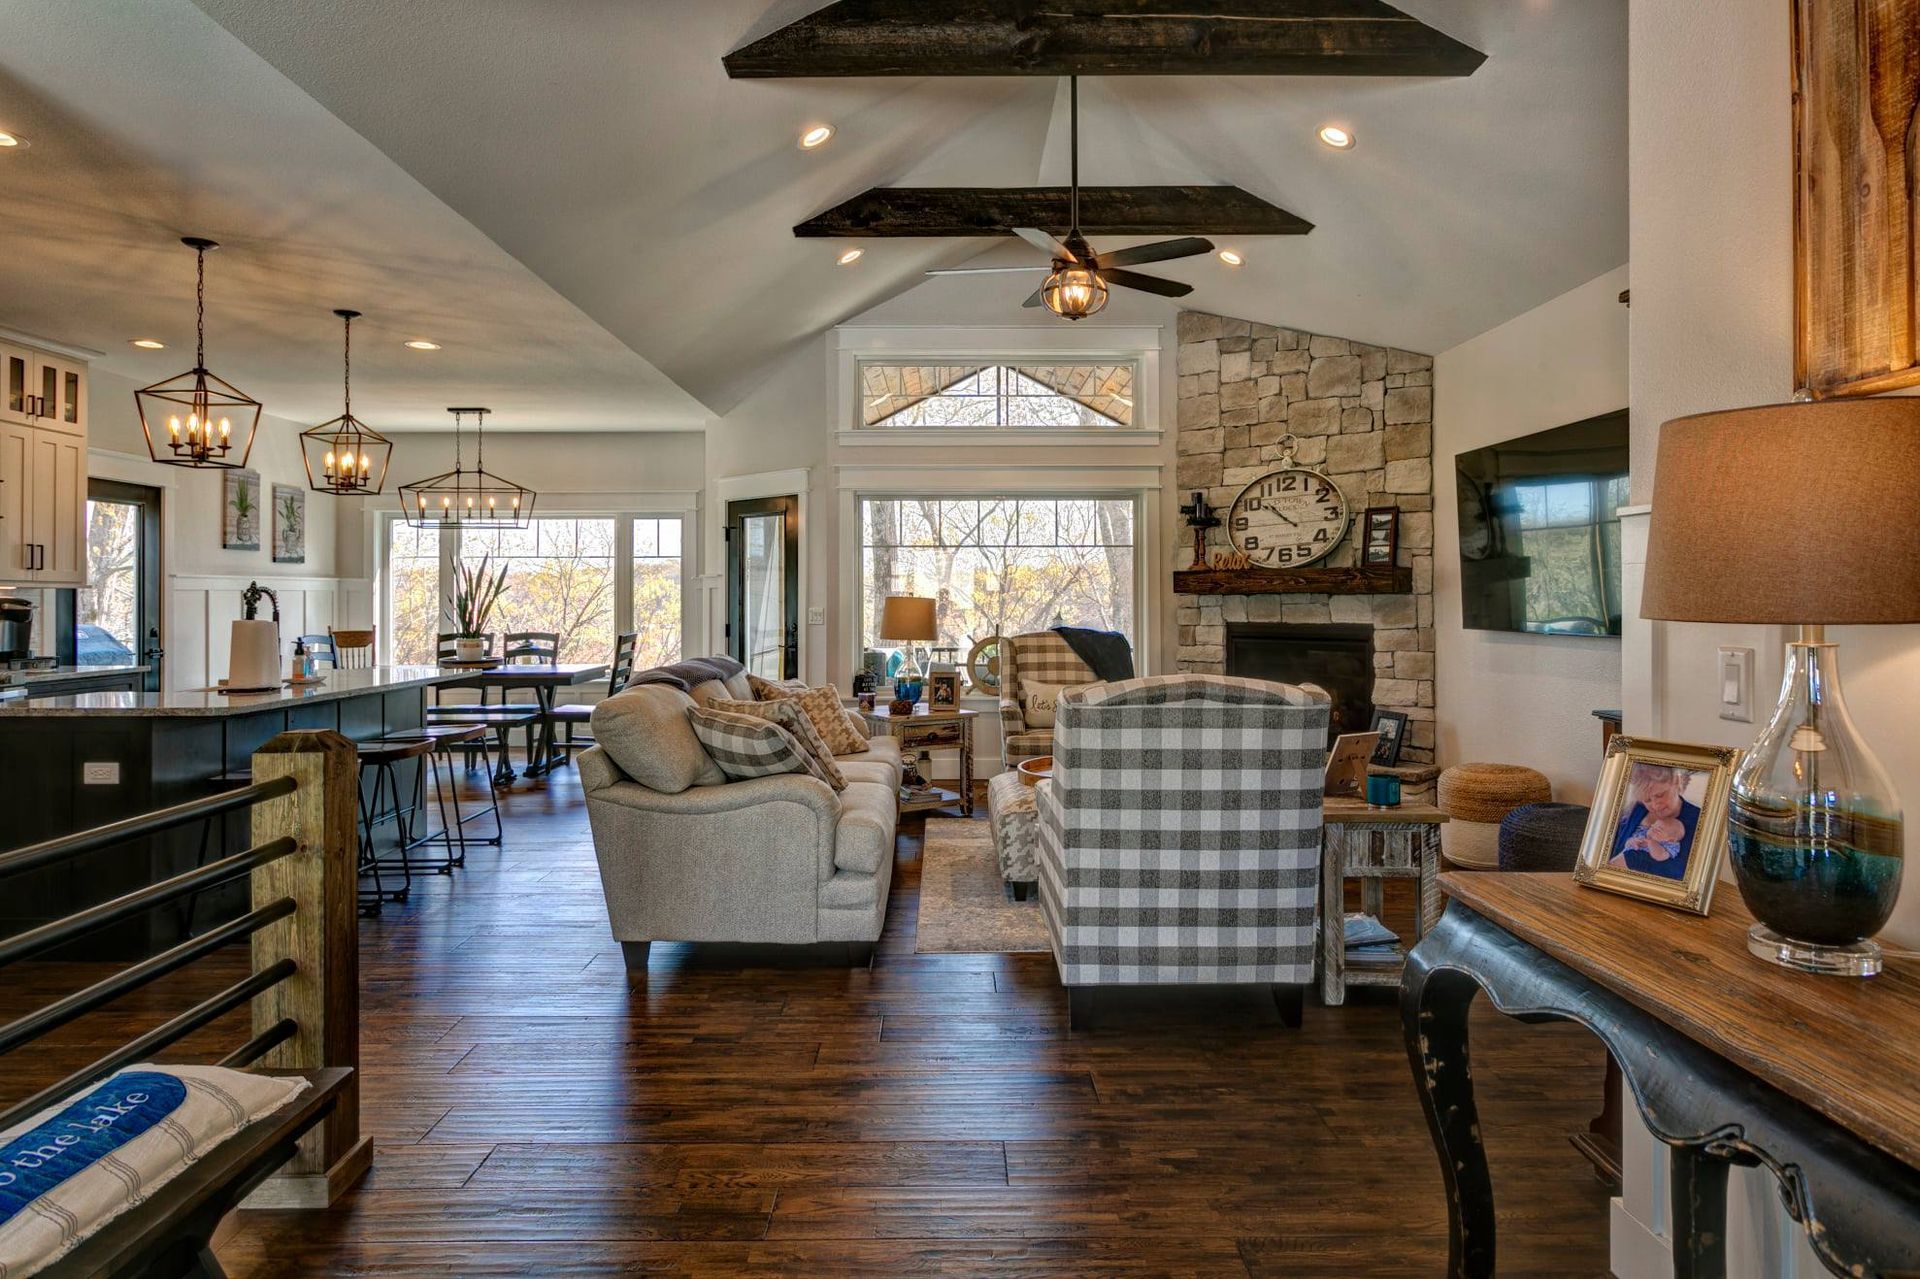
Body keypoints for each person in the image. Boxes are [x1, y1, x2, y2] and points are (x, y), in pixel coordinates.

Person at [1608, 764, 1700, 880]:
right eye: (1647, 800)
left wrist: (1631, 859)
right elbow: (1614, 848)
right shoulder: (1637, 809)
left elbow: (1683, 875)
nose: (1655, 805)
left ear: (1677, 781)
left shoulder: (1698, 820)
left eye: (1660, 795)